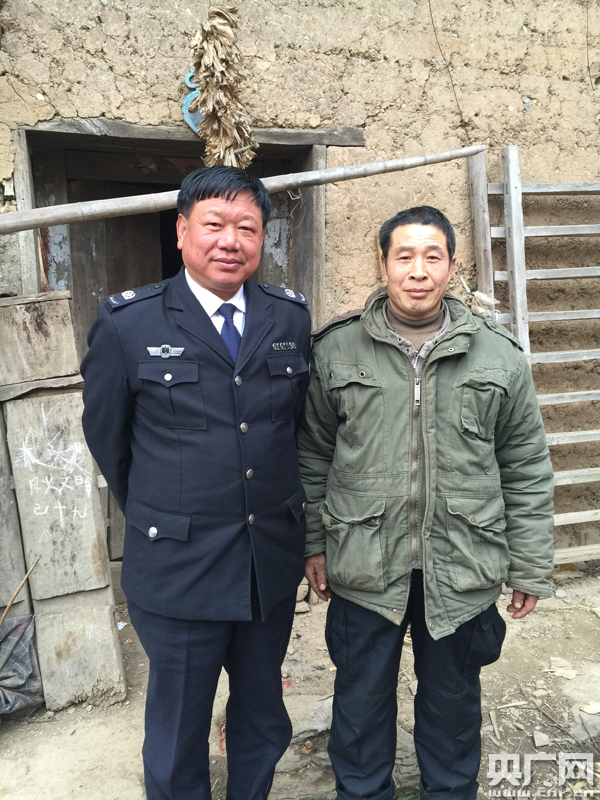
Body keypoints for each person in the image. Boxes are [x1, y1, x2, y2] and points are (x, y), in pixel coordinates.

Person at [297, 206, 554, 800]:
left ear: (451, 266)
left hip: (462, 562)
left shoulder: (498, 356)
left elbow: (525, 465)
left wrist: (530, 564)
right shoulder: (336, 351)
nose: (418, 271)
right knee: (360, 704)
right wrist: (314, 542)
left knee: (453, 703)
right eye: (404, 256)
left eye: (432, 257)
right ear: (384, 263)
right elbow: (312, 456)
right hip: (364, 561)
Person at [80, 165, 312, 800]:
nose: (230, 241)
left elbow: (290, 430)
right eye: (214, 225)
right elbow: (109, 440)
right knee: (178, 730)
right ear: (182, 231)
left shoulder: (288, 317)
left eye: (247, 228)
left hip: (266, 562)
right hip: (178, 568)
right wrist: (169, 512)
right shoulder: (129, 323)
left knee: (262, 716)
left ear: (262, 237)